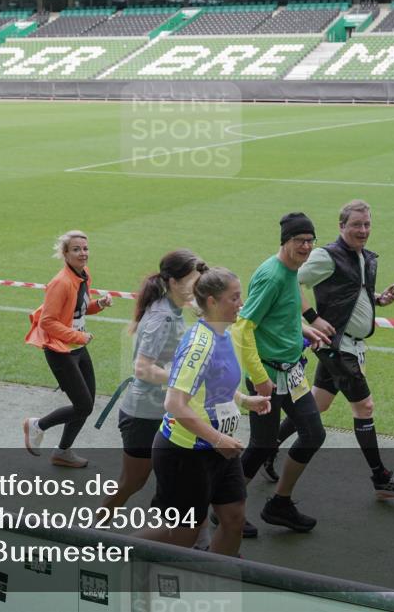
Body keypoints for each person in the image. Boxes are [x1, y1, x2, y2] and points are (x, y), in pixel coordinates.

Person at [273, 199, 394, 498]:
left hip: (344, 345)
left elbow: (349, 290)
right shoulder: (326, 256)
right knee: (365, 407)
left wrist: (376, 299)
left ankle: (265, 449)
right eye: (356, 225)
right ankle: (380, 477)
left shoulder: (359, 255)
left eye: (367, 224)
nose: (363, 231)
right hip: (338, 347)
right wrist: (312, 318)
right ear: (341, 227)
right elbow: (288, 280)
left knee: (318, 404)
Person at [135, 267, 270, 556]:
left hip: (218, 448)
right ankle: (115, 553)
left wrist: (245, 400)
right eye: (234, 298)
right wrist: (218, 439)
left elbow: (213, 383)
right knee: (184, 534)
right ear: (211, 301)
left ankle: (215, 584)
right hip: (186, 453)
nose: (241, 304)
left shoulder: (226, 333)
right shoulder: (199, 344)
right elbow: (174, 403)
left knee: (233, 519)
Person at [231, 212, 329, 537]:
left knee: (313, 433)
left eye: (310, 241)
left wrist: (303, 329)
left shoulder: (291, 271)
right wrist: (259, 377)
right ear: (285, 242)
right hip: (269, 377)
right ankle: (226, 509)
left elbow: (281, 313)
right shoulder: (272, 276)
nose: (305, 246)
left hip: (293, 373)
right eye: (299, 240)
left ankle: (280, 504)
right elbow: (243, 328)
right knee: (260, 445)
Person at [102, 250, 206, 511]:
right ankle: (90, 530)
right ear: (173, 282)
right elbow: (142, 368)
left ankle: (188, 537)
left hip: (164, 410)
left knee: (178, 477)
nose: (198, 288)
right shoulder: (163, 317)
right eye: (194, 282)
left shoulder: (173, 306)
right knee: (132, 482)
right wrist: (183, 377)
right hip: (145, 416)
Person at [23, 230, 113, 468]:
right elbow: (48, 322)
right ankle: (37, 425)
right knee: (83, 405)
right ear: (65, 253)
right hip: (60, 350)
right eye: (76, 249)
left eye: (85, 248)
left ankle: (62, 452)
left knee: (86, 403)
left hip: (76, 347)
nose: (83, 253)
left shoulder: (83, 275)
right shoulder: (60, 282)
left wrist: (99, 305)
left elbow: (77, 310)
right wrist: (79, 336)